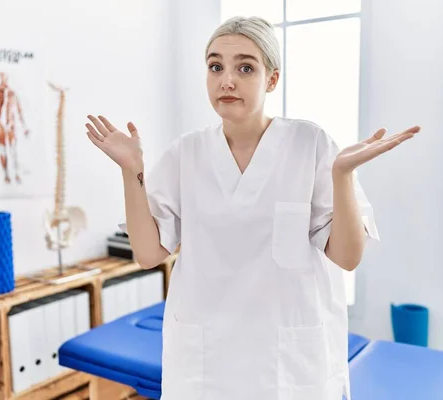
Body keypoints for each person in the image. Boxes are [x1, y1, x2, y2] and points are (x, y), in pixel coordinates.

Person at [84, 16, 420, 400]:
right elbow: (147, 254)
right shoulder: (185, 154)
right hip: (206, 362)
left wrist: (341, 174)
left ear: (272, 79)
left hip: (288, 363)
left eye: (245, 67)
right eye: (215, 67)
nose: (227, 80)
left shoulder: (310, 143)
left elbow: (347, 257)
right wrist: (132, 171)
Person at [0, 72, 30, 184]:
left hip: (11, 124)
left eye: (6, 76)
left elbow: (19, 110)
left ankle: (17, 174)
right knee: (3, 150)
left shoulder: (12, 93)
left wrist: (24, 127)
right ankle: (6, 174)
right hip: (0, 124)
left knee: (13, 150)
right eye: (2, 75)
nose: (4, 78)